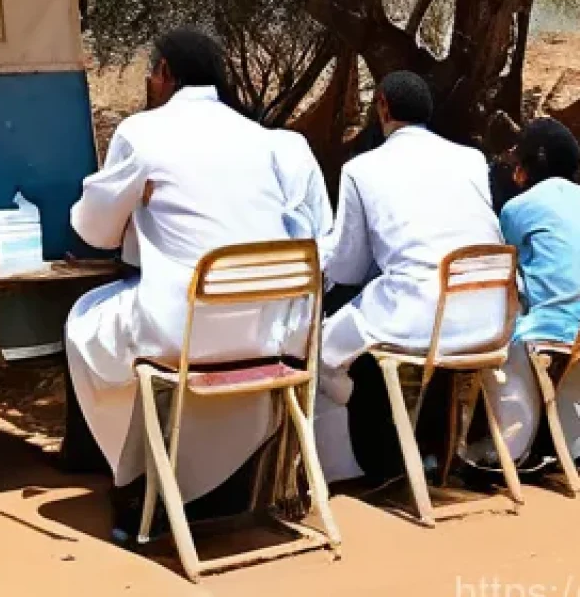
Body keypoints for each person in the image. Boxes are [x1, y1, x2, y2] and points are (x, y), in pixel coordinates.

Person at [63, 28, 317, 539]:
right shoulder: (262, 138)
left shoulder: (143, 133)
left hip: (187, 328)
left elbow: (93, 228)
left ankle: (135, 478)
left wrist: (133, 205)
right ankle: (207, 480)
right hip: (269, 329)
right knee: (145, 319)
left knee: (85, 320)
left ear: (163, 74)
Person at [313, 72, 504, 483]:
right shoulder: (471, 159)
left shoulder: (360, 169)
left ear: (382, 105)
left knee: (323, 353)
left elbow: (346, 265)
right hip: (489, 312)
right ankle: (429, 448)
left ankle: (357, 469)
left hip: (420, 313)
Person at [467, 119, 580, 470]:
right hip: (576, 334)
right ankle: (568, 447)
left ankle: (508, 449)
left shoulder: (518, 208)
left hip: (548, 331)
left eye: (519, 159)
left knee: (499, 339)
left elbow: (505, 259)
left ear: (535, 161)